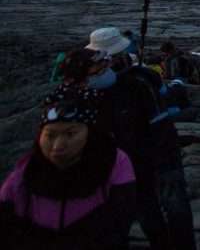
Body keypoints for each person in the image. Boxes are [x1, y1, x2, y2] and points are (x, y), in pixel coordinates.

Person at [84, 27, 196, 250]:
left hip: (150, 155)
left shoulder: (133, 81)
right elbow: (168, 108)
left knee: (157, 209)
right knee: (166, 208)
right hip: (150, 155)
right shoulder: (142, 77)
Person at [0, 87, 137, 249]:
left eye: (70, 134)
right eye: (50, 135)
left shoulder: (114, 163)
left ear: (90, 133)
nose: (58, 146)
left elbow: (119, 221)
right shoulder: (24, 174)